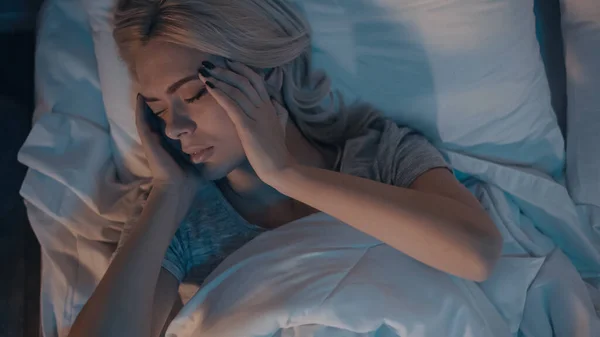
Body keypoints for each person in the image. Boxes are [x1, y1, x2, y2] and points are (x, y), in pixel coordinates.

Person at [68, 1, 502, 336]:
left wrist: (286, 173)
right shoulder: (178, 220)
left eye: (195, 96)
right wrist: (166, 194)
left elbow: (476, 254)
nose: (177, 127)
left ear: (266, 74)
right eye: (159, 110)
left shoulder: (379, 156)